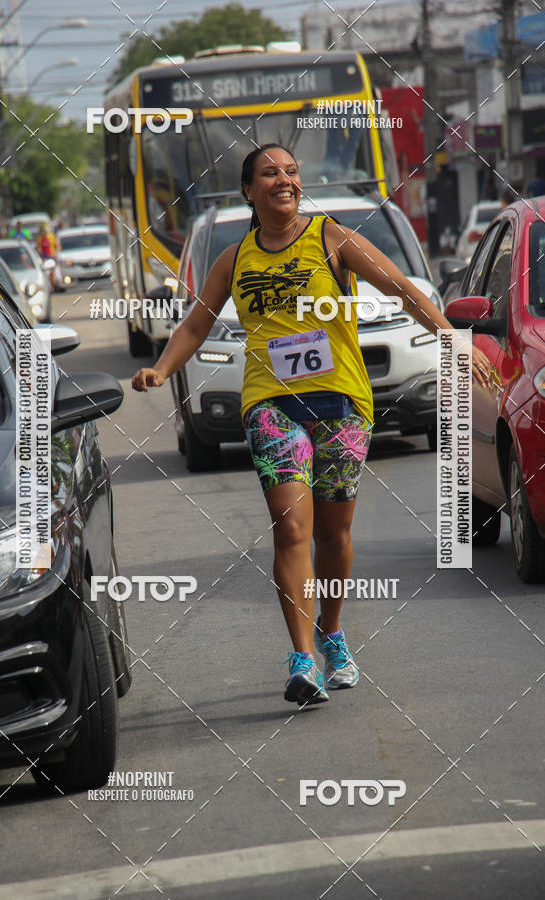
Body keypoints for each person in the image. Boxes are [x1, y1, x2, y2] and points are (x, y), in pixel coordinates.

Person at [132, 143, 490, 707]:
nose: (284, 179)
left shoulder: (331, 238)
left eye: (292, 171)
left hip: (341, 401)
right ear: (249, 190)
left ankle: (332, 631)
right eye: (270, 173)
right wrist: (161, 368)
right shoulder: (234, 259)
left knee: (333, 534)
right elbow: (196, 325)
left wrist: (452, 341)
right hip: (270, 403)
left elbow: (399, 288)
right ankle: (302, 660)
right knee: (291, 528)